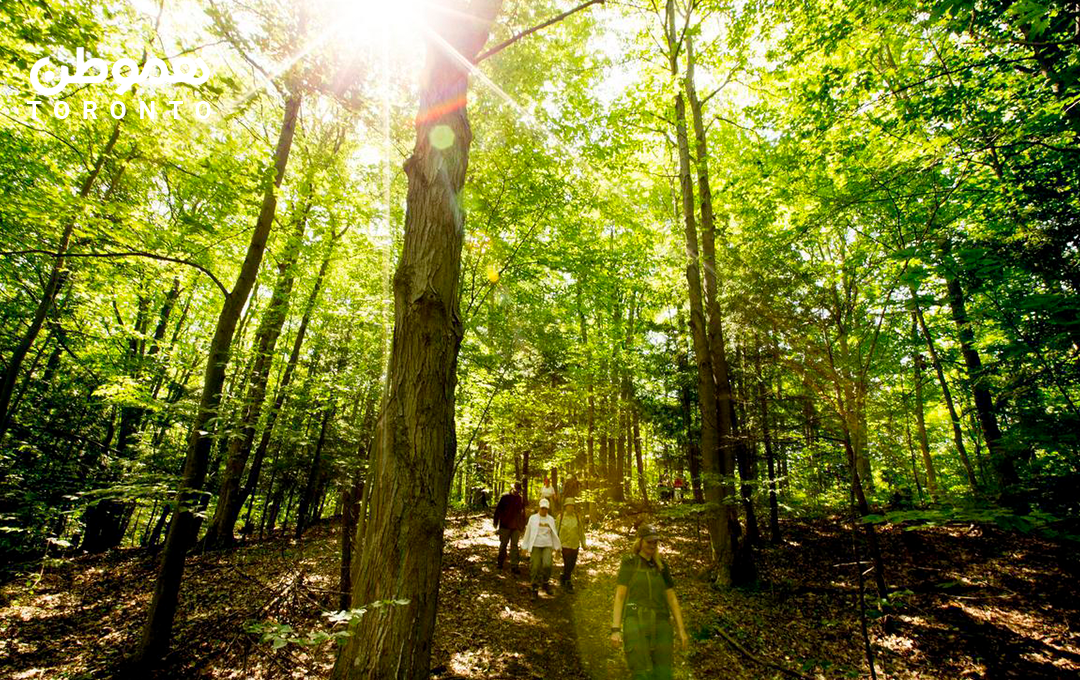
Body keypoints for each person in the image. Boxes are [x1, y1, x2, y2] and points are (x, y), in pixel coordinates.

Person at [610, 524, 689, 680]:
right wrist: (615, 629)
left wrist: (681, 630)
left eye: (655, 542)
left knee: (663, 673)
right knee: (641, 672)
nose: (652, 545)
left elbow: (672, 598)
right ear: (640, 542)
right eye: (649, 542)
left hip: (661, 621)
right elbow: (620, 596)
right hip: (635, 620)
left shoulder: (661, 566)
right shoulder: (629, 563)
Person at [521, 497, 561, 598]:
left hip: (547, 545)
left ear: (548, 509)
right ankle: (534, 587)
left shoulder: (551, 519)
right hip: (535, 545)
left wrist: (557, 548)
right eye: (542, 508)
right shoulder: (533, 518)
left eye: (546, 508)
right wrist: (524, 546)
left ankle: (545, 582)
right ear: (539, 508)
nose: (544, 510)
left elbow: (554, 534)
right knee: (535, 566)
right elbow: (528, 532)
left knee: (547, 565)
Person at [493, 482, 526, 573]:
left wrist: (522, 525)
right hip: (505, 525)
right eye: (516, 489)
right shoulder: (505, 497)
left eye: (519, 490)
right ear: (513, 488)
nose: (517, 492)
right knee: (503, 544)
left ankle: (514, 565)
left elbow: (523, 513)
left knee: (514, 546)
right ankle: (500, 562)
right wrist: (496, 522)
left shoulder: (520, 499)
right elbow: (498, 510)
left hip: (516, 526)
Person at [557, 498, 587, 592]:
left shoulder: (577, 517)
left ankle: (564, 576)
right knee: (568, 562)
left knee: (572, 563)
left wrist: (583, 543)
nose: (570, 507)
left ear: (574, 507)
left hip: (575, 544)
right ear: (565, 506)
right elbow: (556, 530)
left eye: (572, 506)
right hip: (564, 544)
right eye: (568, 505)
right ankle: (568, 582)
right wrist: (555, 545)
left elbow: (581, 531)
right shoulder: (560, 517)